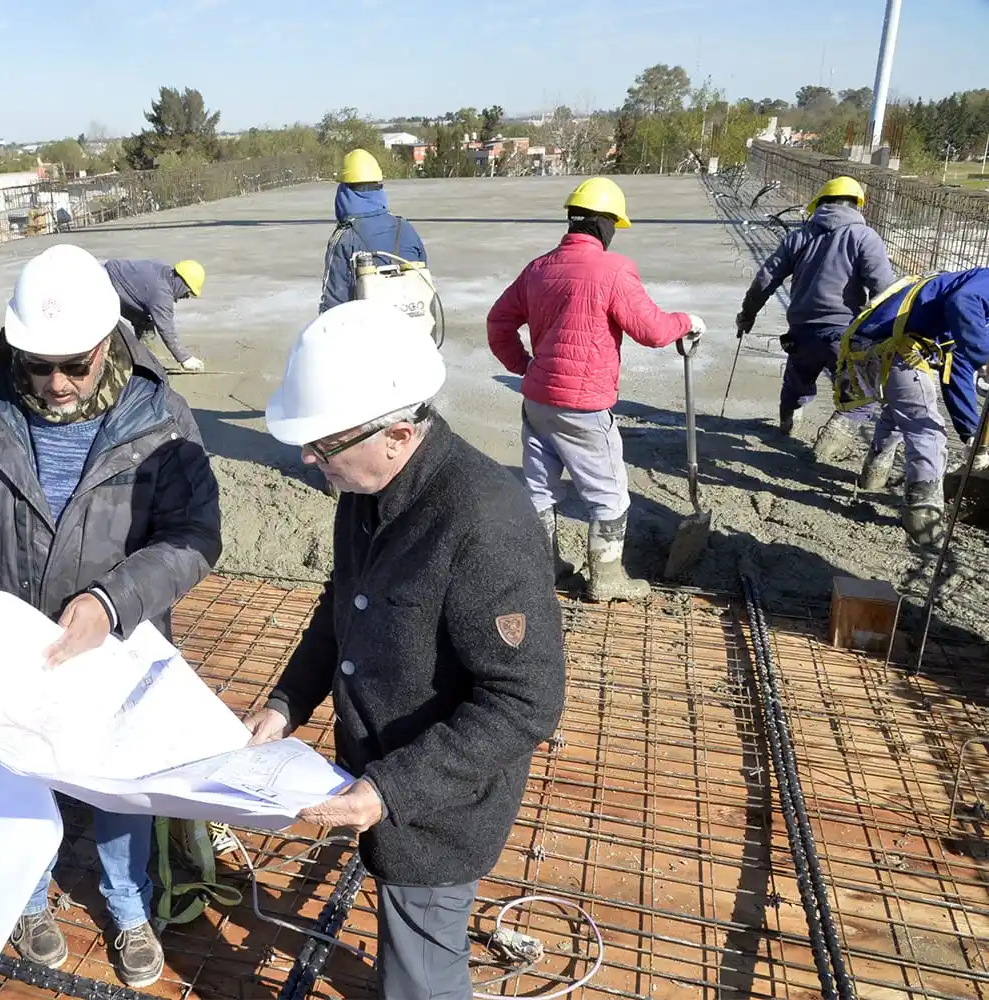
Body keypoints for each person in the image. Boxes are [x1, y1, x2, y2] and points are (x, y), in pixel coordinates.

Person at [0, 243, 222, 988]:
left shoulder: (162, 417)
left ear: (109, 339)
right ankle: (30, 894)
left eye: (74, 364)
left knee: (116, 783)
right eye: (37, 364)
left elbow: (193, 534)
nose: (56, 383)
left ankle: (129, 903)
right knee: (18, 776)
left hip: (117, 643)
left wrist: (112, 603)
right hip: (9, 646)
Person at [246, 299, 566, 1000]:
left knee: (418, 978)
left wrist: (390, 790)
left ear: (396, 434)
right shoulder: (364, 485)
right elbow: (342, 608)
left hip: (439, 815)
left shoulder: (483, 522)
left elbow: (526, 701)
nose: (306, 457)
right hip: (380, 784)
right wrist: (286, 703)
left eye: (322, 443)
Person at [486, 177, 704, 601]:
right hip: (583, 406)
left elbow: (498, 323)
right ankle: (606, 578)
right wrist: (688, 321)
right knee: (609, 493)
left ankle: (543, 567)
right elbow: (653, 330)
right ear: (605, 224)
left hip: (537, 400)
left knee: (540, 488)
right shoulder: (613, 269)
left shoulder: (539, 268)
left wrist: (525, 367)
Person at [735, 175, 895, 458]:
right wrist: (881, 333)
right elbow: (883, 289)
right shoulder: (864, 237)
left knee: (797, 381)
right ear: (857, 205)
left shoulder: (798, 237)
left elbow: (766, 278)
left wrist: (747, 314)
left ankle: (788, 420)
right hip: (843, 334)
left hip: (800, 331)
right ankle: (830, 443)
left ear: (819, 204)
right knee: (858, 396)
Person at [838, 268, 989, 544]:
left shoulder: (962, 290)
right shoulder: (980, 287)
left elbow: (956, 373)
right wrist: (985, 356)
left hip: (868, 343)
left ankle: (873, 475)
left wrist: (972, 436)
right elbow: (964, 301)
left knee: (899, 412)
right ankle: (922, 519)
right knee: (926, 429)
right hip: (891, 348)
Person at [320, 148, 426, 312]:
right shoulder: (406, 228)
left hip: (367, 333)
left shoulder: (345, 238)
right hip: (415, 330)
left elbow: (333, 304)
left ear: (345, 190)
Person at [103, 257, 207, 371]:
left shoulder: (162, 268)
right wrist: (184, 359)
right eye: (188, 291)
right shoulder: (162, 294)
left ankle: (146, 361)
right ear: (182, 283)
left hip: (111, 277)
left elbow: (138, 293)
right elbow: (167, 330)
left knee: (145, 322)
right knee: (106, 333)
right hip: (103, 285)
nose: (186, 296)